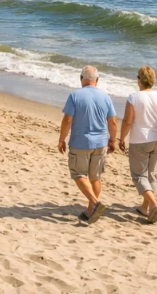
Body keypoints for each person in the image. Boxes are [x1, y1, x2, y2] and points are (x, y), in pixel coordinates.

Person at [58, 66, 118, 223]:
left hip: (81, 142)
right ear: (97, 80)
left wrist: (61, 139)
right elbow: (112, 121)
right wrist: (113, 140)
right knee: (95, 177)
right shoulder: (105, 97)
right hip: (100, 142)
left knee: (78, 174)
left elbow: (67, 120)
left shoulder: (75, 96)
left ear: (80, 78)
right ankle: (92, 209)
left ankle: (95, 203)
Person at [117, 66, 157, 224]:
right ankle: (145, 207)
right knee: (152, 174)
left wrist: (121, 138)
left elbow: (128, 121)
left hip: (140, 140)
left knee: (139, 176)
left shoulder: (133, 97)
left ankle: (154, 204)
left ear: (138, 80)